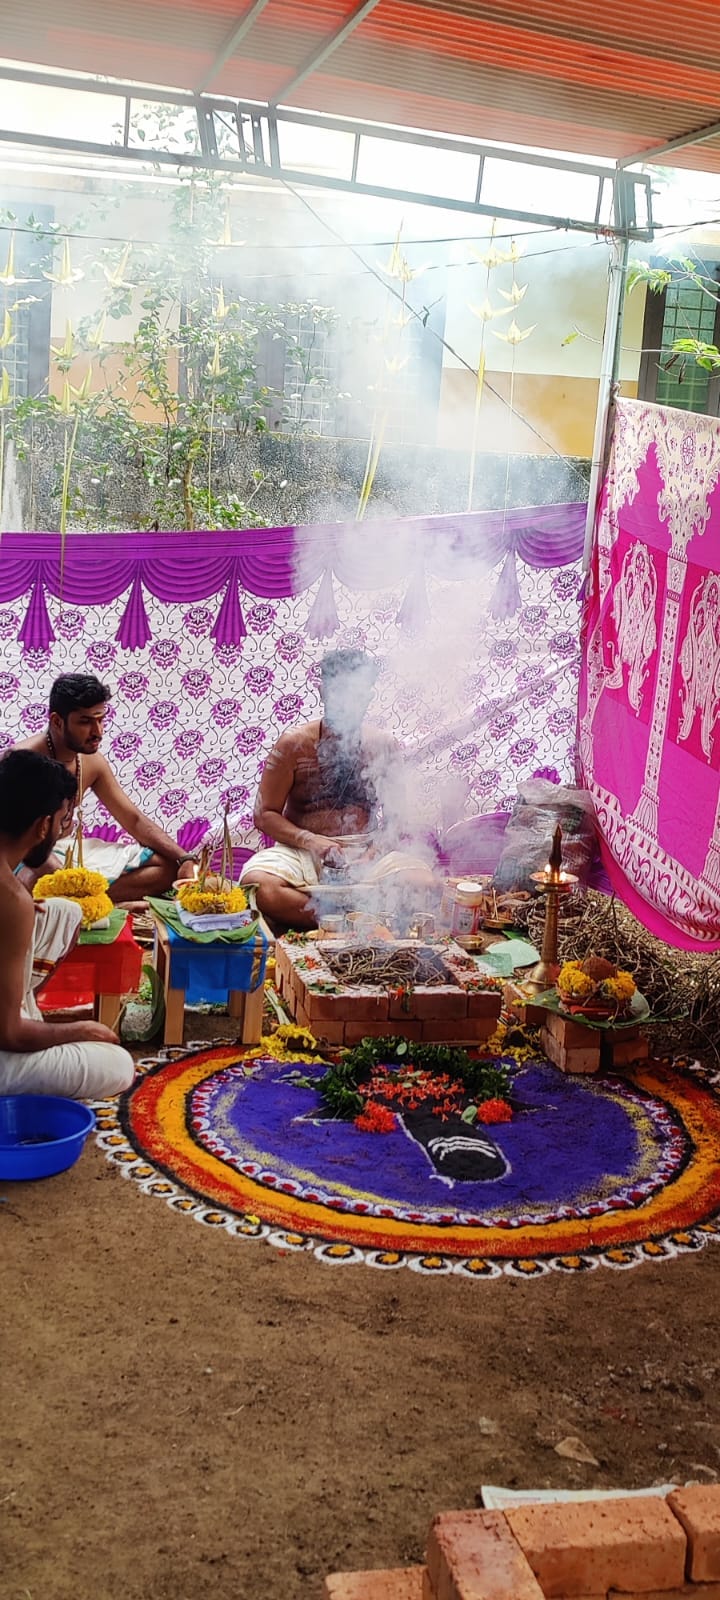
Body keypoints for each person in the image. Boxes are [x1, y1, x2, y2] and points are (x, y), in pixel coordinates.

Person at [240, 648, 435, 931]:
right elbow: (264, 814)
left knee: (424, 885)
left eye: (356, 694)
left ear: (368, 695)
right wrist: (311, 841)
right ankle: (355, 919)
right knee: (260, 887)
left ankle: (335, 917)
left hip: (366, 852)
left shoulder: (383, 746)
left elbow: (396, 820)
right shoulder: (294, 744)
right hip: (302, 852)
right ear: (322, 691)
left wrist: (372, 853)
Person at [0, 750, 135, 1098]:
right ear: (43, 825)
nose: (61, 831)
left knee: (63, 911)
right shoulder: (11, 899)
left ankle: (23, 1006)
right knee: (116, 1064)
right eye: (62, 822)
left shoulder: (16, 898)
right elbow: (9, 1034)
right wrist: (80, 1030)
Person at [14, 674, 198, 906]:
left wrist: (184, 857)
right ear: (57, 721)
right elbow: (21, 846)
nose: (97, 731)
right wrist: (68, 880)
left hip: (68, 854)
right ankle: (89, 903)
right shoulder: (22, 762)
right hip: (29, 859)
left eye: (101, 719)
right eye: (85, 722)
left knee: (167, 866)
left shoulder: (91, 762)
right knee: (29, 883)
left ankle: (91, 903)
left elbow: (134, 820)